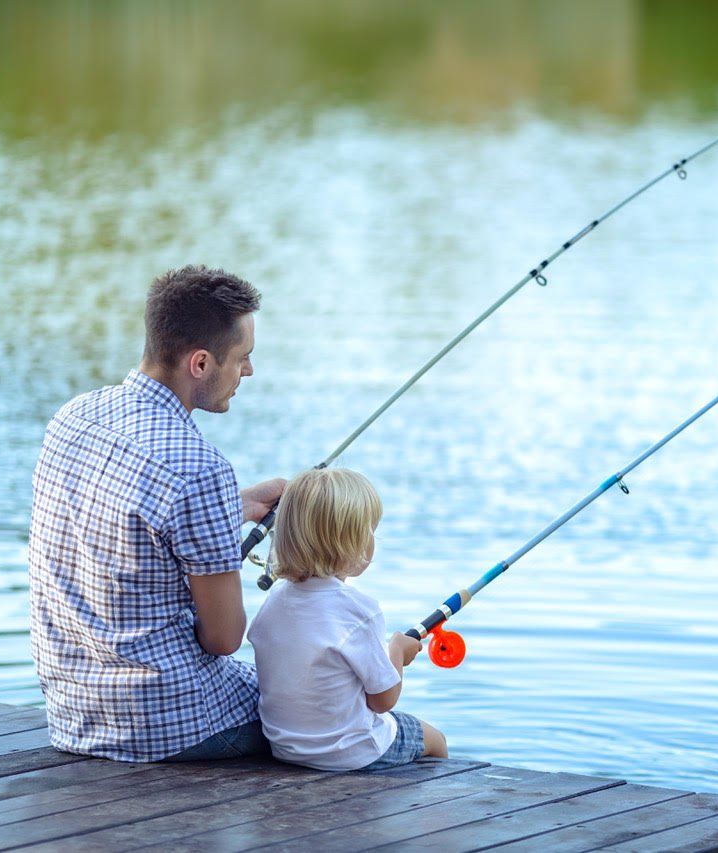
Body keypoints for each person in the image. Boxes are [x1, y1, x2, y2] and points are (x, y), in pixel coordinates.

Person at [28, 265, 285, 762]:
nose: (249, 372)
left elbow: (125, 524)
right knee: (334, 711)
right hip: (168, 724)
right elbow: (224, 639)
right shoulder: (199, 468)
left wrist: (242, 504)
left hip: (73, 715)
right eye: (243, 358)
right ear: (201, 363)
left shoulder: (73, 417)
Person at [247, 467, 448, 771]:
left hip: (285, 747)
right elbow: (383, 701)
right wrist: (397, 649)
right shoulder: (359, 610)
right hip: (352, 752)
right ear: (350, 543)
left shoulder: (275, 599)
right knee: (436, 740)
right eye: (370, 530)